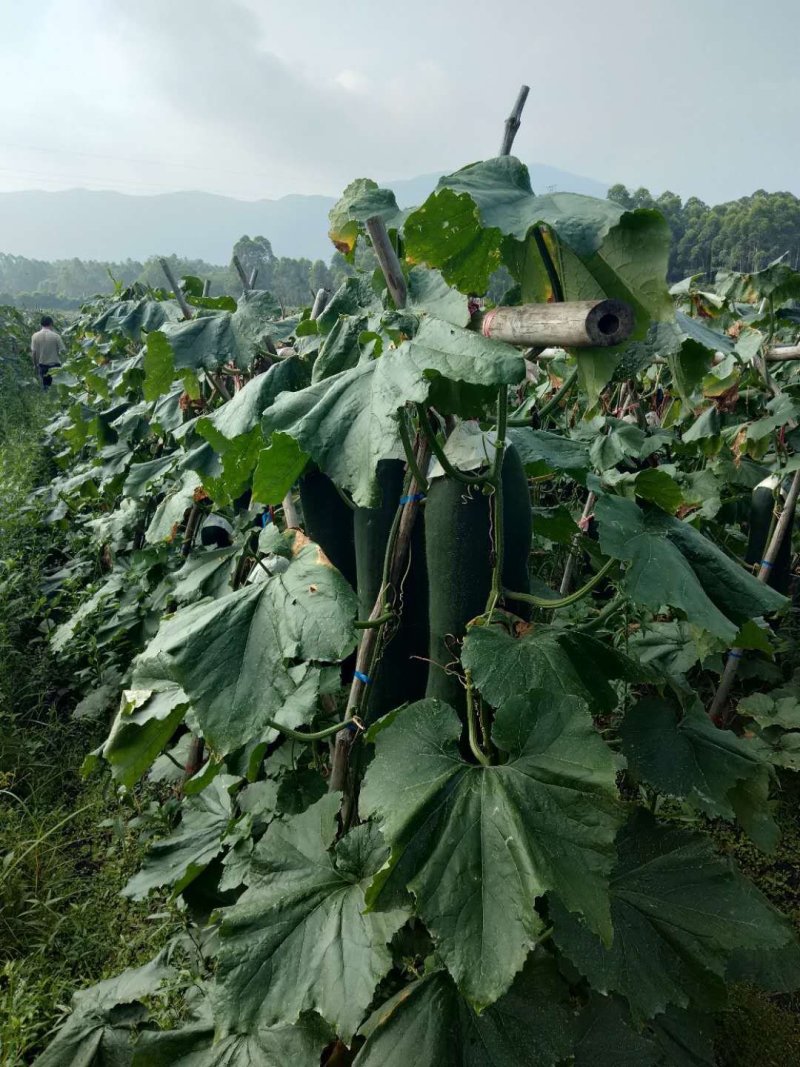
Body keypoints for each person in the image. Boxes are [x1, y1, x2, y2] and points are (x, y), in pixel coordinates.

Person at [31, 315, 65, 390]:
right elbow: (63, 351)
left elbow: (34, 353)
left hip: (42, 366)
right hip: (55, 365)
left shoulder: (35, 336)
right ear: (51, 324)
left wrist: (35, 365)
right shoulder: (56, 336)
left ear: (41, 324)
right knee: (56, 389)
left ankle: (45, 399)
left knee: (45, 387)